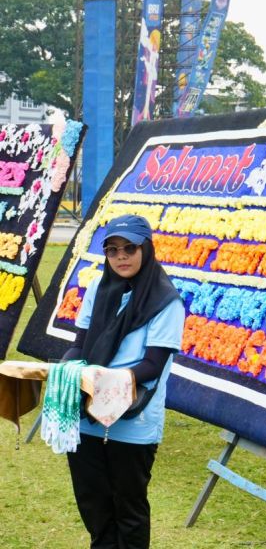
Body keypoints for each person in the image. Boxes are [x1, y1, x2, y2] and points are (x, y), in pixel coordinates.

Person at [63, 213, 184, 549]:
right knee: (95, 506)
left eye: (130, 248)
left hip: (133, 421)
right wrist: (64, 370)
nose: (121, 257)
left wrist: (105, 379)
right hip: (87, 415)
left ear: (146, 248)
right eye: (113, 250)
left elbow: (153, 365)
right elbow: (79, 344)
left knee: (128, 510)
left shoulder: (165, 301)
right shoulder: (98, 291)